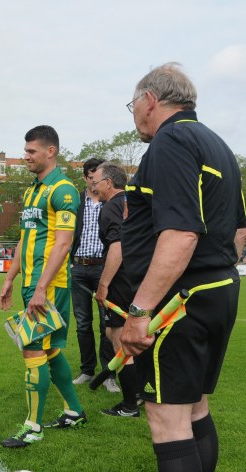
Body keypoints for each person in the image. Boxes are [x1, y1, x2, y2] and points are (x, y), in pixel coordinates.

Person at [120, 63, 246, 472]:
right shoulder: (218, 143)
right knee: (194, 408)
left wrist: (140, 310)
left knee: (167, 416)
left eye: (133, 103)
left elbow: (179, 234)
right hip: (217, 289)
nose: (133, 112)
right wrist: (215, 274)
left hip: (183, 298)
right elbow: (239, 227)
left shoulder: (170, 142)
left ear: (151, 100)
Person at [0, 125, 86, 448]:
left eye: (31, 151)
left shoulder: (63, 190)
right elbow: (24, 239)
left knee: (32, 350)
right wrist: (10, 277)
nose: (26, 157)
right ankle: (74, 411)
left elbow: (63, 245)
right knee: (49, 350)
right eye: (25, 151)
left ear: (51, 151)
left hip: (49, 286)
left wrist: (41, 289)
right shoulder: (31, 192)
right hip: (32, 285)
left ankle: (33, 426)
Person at [92, 162, 140, 417]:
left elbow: (117, 246)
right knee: (122, 333)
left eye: (96, 182)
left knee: (119, 338)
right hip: (140, 278)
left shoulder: (111, 207)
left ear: (109, 183)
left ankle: (130, 403)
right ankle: (141, 393)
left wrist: (104, 284)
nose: (93, 186)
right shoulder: (133, 202)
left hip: (121, 280)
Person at [70, 158, 116, 391]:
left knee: (106, 323)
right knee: (82, 323)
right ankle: (87, 370)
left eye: (97, 177)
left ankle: (108, 374)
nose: (94, 182)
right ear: (85, 178)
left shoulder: (113, 200)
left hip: (103, 267)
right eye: (90, 178)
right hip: (78, 267)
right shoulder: (76, 200)